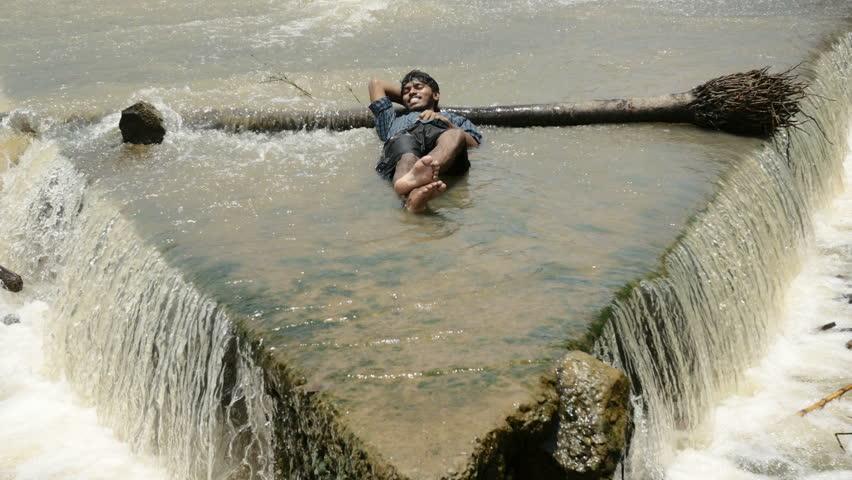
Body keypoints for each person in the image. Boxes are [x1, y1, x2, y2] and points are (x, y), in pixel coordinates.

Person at [368, 70, 482, 212]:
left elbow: (474, 144)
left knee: (455, 134)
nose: (411, 92)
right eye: (406, 91)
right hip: (404, 138)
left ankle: (423, 174)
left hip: (441, 142)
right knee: (407, 155)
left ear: (436, 94)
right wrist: (410, 98)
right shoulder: (391, 120)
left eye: (419, 87)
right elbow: (376, 84)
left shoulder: (454, 119)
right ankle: (414, 195)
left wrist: (446, 122)